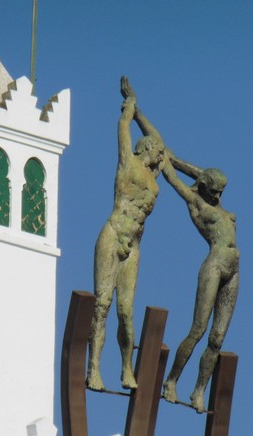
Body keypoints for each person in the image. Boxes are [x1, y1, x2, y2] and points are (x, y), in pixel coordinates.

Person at [121, 79, 239, 412]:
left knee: (218, 338)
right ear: (204, 190)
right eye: (214, 191)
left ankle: (198, 390)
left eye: (220, 192)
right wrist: (136, 112)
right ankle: (171, 380)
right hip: (215, 264)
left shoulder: (210, 188)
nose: (218, 197)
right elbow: (166, 155)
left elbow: (185, 162)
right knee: (199, 329)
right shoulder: (194, 201)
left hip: (234, 269)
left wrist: (188, 165)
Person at [86, 78, 166, 391]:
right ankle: (93, 368)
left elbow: (158, 137)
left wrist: (140, 107)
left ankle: (126, 370)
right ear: (146, 150)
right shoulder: (128, 163)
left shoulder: (153, 174)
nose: (162, 154)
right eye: (157, 151)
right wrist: (129, 109)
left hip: (133, 246)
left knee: (126, 312)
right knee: (102, 305)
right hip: (113, 235)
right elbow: (123, 126)